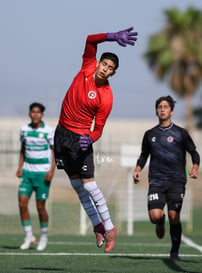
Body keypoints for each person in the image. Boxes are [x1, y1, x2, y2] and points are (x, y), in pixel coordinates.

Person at [54, 27, 138, 252]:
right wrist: (111, 36)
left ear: (113, 74)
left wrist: (89, 139)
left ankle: (110, 228)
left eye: (111, 69)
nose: (106, 69)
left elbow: (99, 129)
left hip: (79, 139)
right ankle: (97, 225)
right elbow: (90, 40)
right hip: (61, 134)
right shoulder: (87, 65)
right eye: (105, 64)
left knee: (89, 185)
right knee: (75, 184)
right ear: (99, 63)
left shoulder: (106, 97)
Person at [133, 95, 200, 261]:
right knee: (155, 216)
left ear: (172, 111)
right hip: (156, 180)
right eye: (159, 107)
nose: (162, 109)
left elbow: (193, 152)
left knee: (174, 216)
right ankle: (160, 221)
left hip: (177, 180)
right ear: (156, 111)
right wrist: (138, 169)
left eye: (165, 107)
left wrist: (195, 166)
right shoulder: (150, 134)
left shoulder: (181, 133)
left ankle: (174, 251)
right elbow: (144, 155)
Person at [16, 102, 56, 251]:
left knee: (40, 207)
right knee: (22, 204)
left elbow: (55, 152)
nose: (35, 114)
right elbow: (22, 149)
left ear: (42, 115)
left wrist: (51, 171)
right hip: (27, 172)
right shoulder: (24, 130)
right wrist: (20, 167)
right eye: (33, 112)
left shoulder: (48, 131)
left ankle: (43, 236)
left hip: (42, 173)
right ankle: (28, 236)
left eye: (38, 112)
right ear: (29, 114)